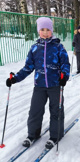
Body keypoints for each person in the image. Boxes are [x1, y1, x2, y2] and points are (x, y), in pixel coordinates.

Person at [6, 17, 70, 149]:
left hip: (55, 85)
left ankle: (55, 135)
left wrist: (64, 76)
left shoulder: (58, 47)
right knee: (35, 110)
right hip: (39, 85)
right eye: (42, 30)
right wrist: (15, 78)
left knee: (56, 111)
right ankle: (32, 134)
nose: (45, 32)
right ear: (38, 31)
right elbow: (28, 67)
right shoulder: (35, 48)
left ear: (51, 31)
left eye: (48, 30)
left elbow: (65, 64)